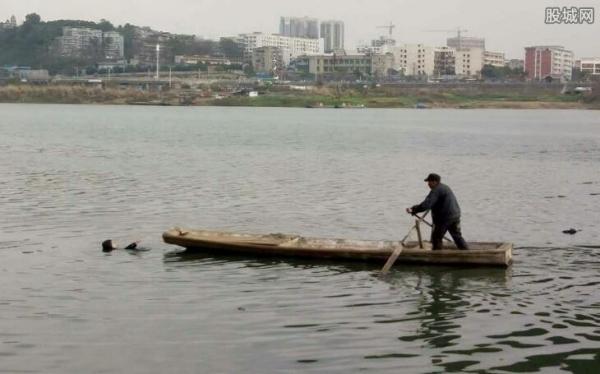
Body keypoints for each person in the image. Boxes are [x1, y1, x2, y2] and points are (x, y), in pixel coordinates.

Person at [406, 173, 469, 250]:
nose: (428, 184)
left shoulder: (436, 190)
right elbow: (434, 202)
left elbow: (427, 204)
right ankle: (465, 251)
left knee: (436, 237)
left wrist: (413, 209)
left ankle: (437, 256)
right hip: (455, 215)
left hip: (445, 218)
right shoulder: (445, 187)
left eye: (429, 182)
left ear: (435, 182)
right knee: (457, 236)